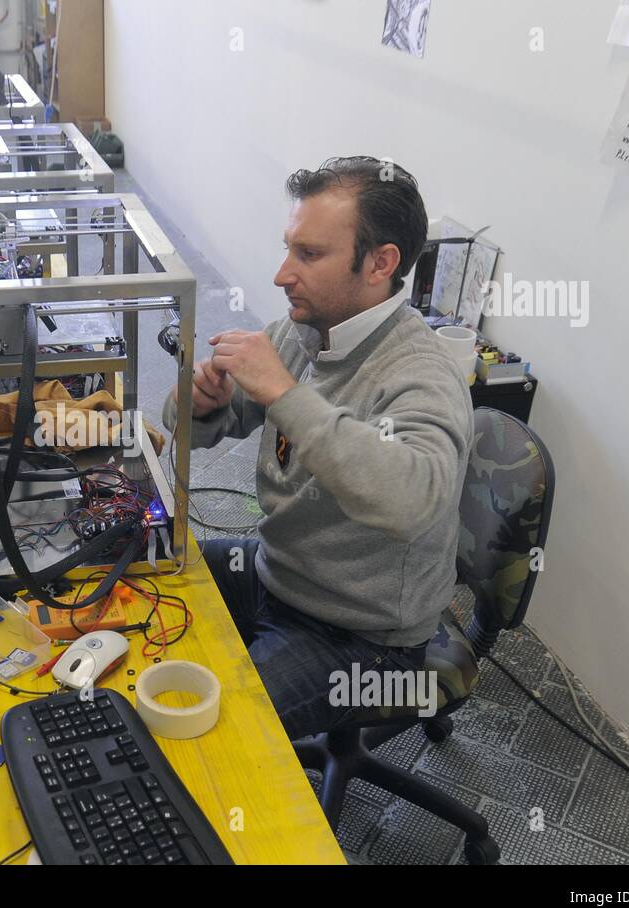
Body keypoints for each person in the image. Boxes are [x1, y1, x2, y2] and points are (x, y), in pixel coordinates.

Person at [163, 156, 473, 739]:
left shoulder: (420, 373)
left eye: (309, 254)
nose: (282, 275)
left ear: (380, 263)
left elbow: (412, 501)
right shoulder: (305, 330)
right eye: (289, 249)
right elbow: (196, 429)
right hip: (276, 571)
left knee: (218, 734)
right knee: (150, 570)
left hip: (364, 635)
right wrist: (202, 404)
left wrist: (283, 392)